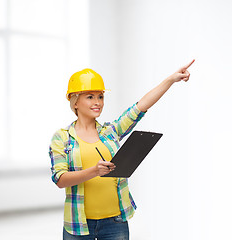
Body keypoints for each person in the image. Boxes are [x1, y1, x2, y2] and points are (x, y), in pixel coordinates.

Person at [49, 60, 195, 240]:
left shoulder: (111, 132)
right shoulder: (62, 137)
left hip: (115, 222)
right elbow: (60, 180)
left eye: (100, 96)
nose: (98, 102)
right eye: (90, 97)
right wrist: (95, 171)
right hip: (79, 224)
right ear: (75, 102)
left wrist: (171, 79)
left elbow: (141, 106)